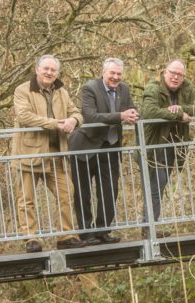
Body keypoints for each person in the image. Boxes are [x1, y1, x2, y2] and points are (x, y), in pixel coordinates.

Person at [12, 55, 86, 252]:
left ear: (57, 73)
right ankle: (30, 237)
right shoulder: (22, 90)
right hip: (29, 152)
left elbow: (76, 112)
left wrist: (73, 121)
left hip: (56, 153)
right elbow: (24, 116)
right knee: (26, 197)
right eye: (46, 69)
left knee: (67, 192)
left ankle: (66, 235)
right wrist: (55, 123)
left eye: (53, 70)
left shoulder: (61, 91)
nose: (49, 73)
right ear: (37, 69)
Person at [68, 58, 139, 245]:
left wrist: (133, 114)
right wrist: (120, 116)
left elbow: (131, 108)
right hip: (85, 146)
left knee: (109, 190)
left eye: (119, 74)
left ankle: (103, 230)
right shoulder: (90, 88)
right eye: (112, 73)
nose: (116, 77)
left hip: (111, 146)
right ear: (103, 72)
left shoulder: (124, 89)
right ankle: (86, 233)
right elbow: (90, 116)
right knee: (83, 192)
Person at [140, 59, 195, 237]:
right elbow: (149, 112)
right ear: (164, 72)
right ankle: (149, 229)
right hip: (152, 147)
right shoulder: (153, 88)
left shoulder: (187, 88)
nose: (176, 77)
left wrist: (181, 108)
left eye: (180, 75)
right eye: (173, 73)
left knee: (158, 188)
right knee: (156, 186)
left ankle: (149, 227)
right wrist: (178, 114)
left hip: (173, 147)